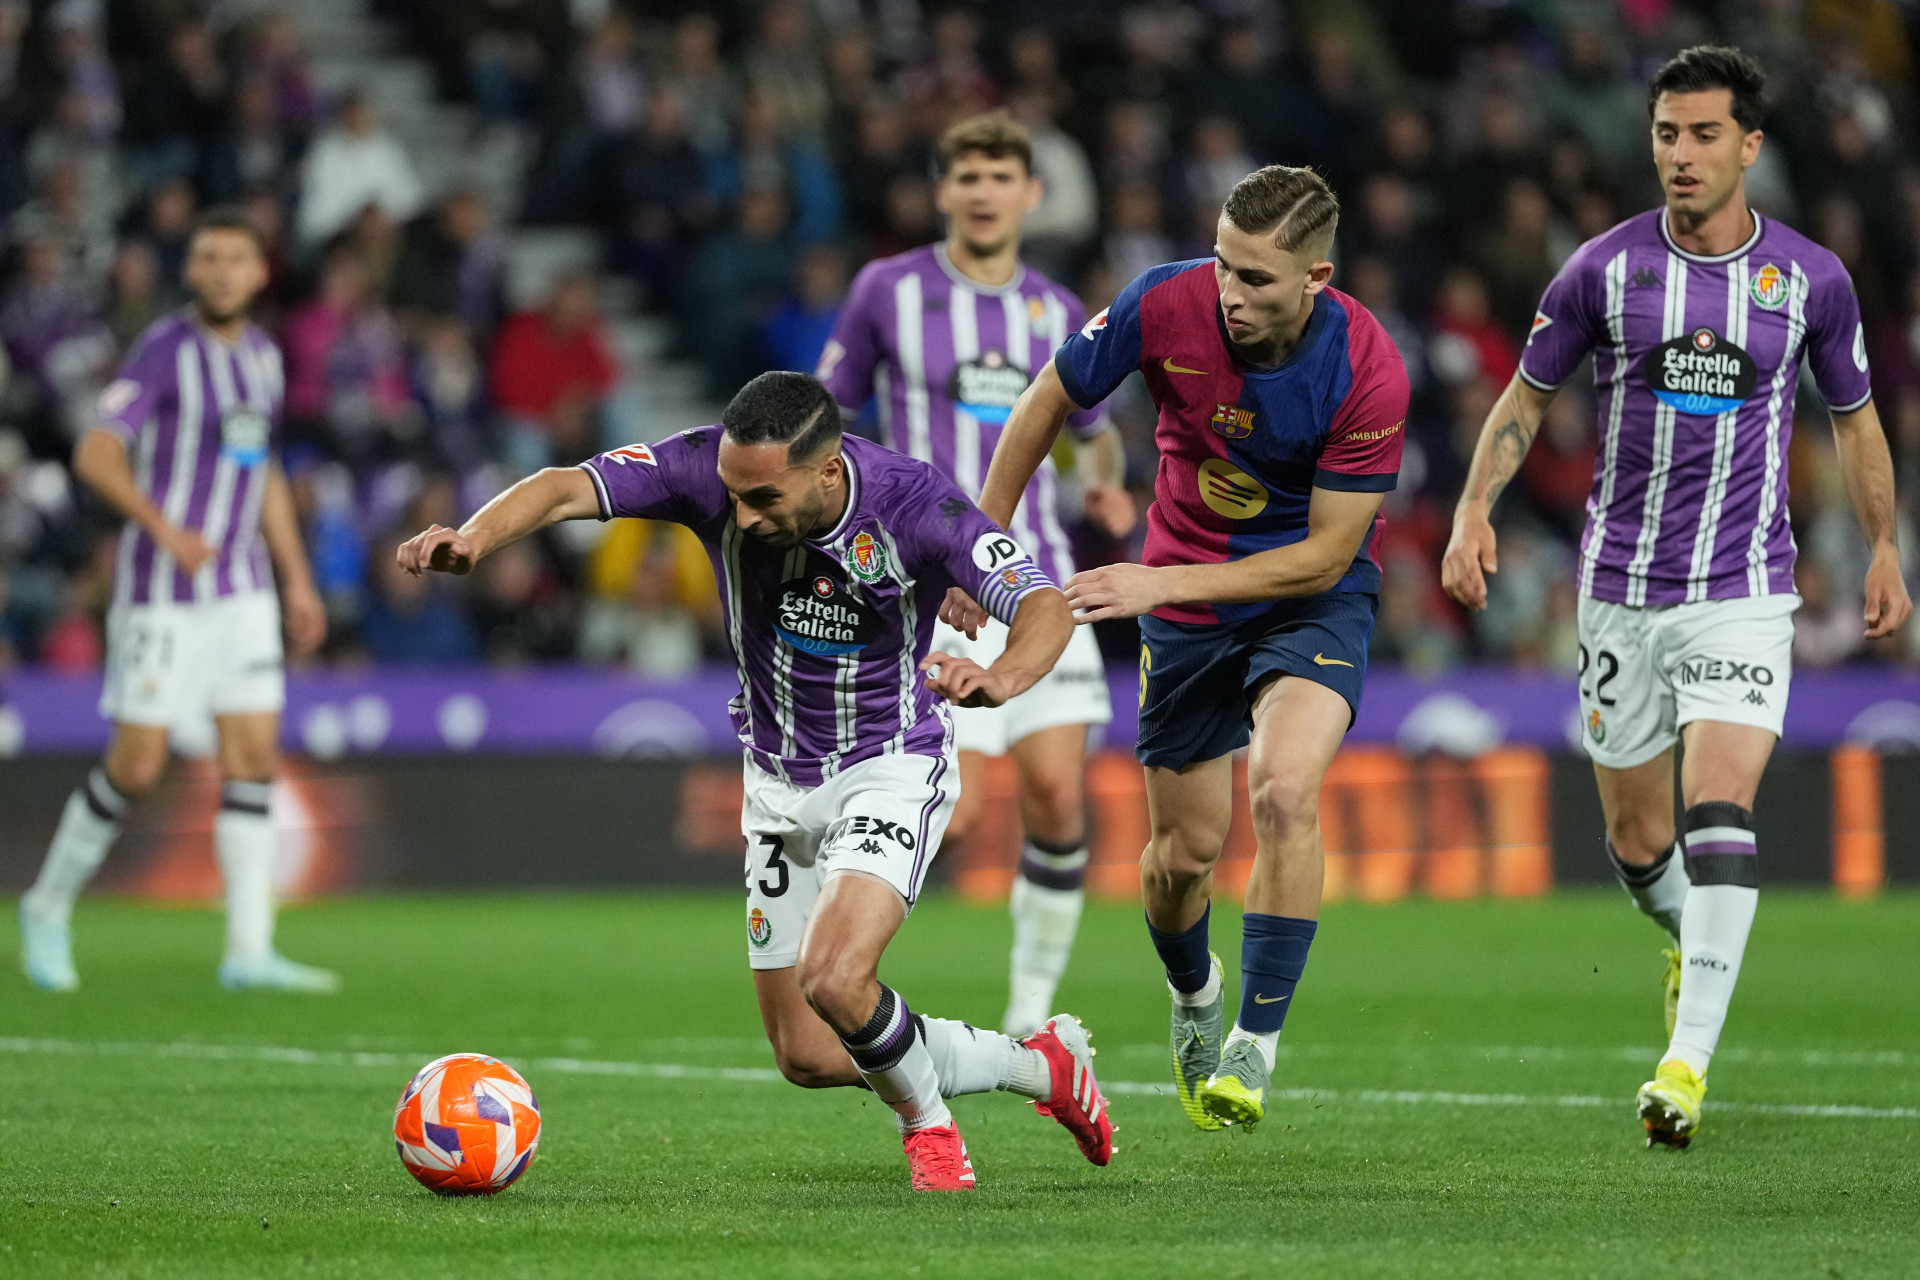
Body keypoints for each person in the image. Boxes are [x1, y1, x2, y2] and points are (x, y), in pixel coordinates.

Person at [394, 371, 1114, 1192]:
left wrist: (1007, 677)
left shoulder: (916, 505)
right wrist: (477, 538)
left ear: (830, 470)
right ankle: (1039, 1068)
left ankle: (931, 1132)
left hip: (888, 764)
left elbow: (1043, 604)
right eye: (733, 496)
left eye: (764, 498)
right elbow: (566, 488)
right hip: (773, 780)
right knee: (808, 1054)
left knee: (837, 976)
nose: (740, 516)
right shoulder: (705, 468)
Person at [1440, 46, 1911, 1149]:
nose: (1682, 155)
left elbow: (1855, 420)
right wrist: (1472, 512)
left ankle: (1683, 1064)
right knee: (1640, 839)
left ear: (1751, 145)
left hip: (1744, 591)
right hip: (1619, 595)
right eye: (1666, 134)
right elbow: (1523, 397)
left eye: (1704, 135)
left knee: (1719, 807)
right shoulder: (1602, 272)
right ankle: (1681, 934)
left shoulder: (1809, 281)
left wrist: (1884, 544)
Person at [968, 165, 1408, 1132]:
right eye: (1222, 266)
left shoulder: (1368, 368)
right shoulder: (1162, 302)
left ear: (1316, 279)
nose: (1230, 295)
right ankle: (1195, 999)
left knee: (1287, 790)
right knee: (1180, 859)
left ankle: (1254, 1045)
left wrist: (1150, 584)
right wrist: (979, 546)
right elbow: (1048, 398)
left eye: (1256, 278)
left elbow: (1326, 554)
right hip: (1186, 601)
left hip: (1310, 601)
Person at [817, 111, 1133, 1037]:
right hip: (923, 587)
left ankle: (1032, 1014)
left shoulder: (1059, 312)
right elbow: (826, 418)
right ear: (942, 189)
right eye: (968, 176)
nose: (985, 192)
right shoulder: (887, 290)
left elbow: (1096, 438)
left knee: (1059, 798)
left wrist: (1109, 492)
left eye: (1002, 176)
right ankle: (841, 960)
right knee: (953, 814)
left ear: (1031, 195)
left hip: (1034, 582)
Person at [17, 208, 333, 993]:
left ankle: (249, 950)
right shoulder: (163, 350)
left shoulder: (263, 358)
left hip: (243, 592)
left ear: (261, 274)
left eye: (235, 259)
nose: (221, 271)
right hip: (163, 594)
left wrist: (295, 579)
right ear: (190, 271)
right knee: (138, 765)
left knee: (254, 753)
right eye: (206, 257)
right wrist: (163, 528)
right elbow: (96, 452)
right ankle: (47, 907)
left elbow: (257, 475)